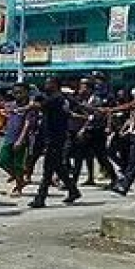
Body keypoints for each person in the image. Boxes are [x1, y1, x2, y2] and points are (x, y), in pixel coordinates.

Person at [29, 77, 82, 209]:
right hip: (54, 136)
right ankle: (73, 190)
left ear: (55, 85)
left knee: (48, 169)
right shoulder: (60, 98)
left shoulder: (56, 98)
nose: (46, 85)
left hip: (55, 137)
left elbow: (39, 106)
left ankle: (40, 198)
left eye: (49, 83)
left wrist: (29, 103)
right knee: (58, 167)